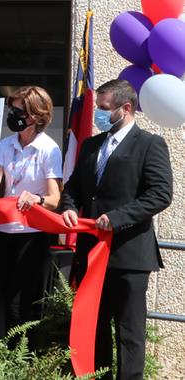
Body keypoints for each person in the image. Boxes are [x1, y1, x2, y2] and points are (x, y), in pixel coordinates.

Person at [60, 79, 172, 379]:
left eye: (103, 109)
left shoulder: (150, 144)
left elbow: (160, 194)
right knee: (95, 326)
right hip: (92, 251)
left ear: (126, 108)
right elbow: (73, 187)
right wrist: (69, 208)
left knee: (129, 330)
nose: (98, 114)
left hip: (129, 254)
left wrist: (118, 217)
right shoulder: (91, 145)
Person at [0, 86, 62, 333]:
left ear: (35, 115)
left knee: (27, 301)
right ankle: (5, 356)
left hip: (32, 234)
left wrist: (36, 199)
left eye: (18, 110)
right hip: (4, 231)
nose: (12, 114)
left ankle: (25, 359)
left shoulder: (49, 149)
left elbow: (54, 198)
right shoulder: (5, 144)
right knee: (2, 295)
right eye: (11, 108)